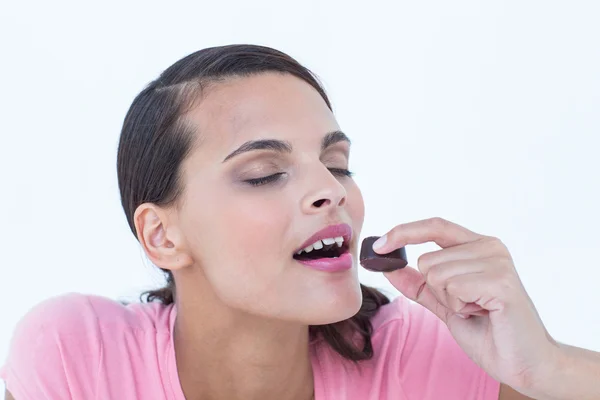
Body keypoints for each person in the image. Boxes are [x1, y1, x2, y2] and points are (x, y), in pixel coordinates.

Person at [1, 44, 599, 400]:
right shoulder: (76, 356)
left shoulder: (414, 355)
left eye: (336, 163)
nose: (328, 191)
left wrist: (544, 365)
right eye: (264, 173)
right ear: (163, 236)